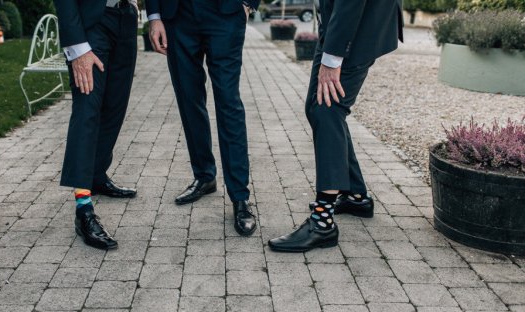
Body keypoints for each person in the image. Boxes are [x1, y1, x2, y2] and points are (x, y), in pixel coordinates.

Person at [269, 0, 404, 252]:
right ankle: (356, 197)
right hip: (344, 26)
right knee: (320, 110)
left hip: (355, 28)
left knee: (326, 111)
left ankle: (322, 223)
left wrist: (332, 59)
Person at [146, 0, 260, 236]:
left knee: (229, 103)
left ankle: (240, 196)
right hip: (178, 16)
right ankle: (205, 176)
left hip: (225, 14)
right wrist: (155, 15)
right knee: (189, 99)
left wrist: (249, 3)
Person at [53, 0, 139, 250]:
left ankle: (97, 176)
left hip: (125, 19)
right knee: (87, 110)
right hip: (92, 23)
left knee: (115, 107)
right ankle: (83, 209)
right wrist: (77, 47)